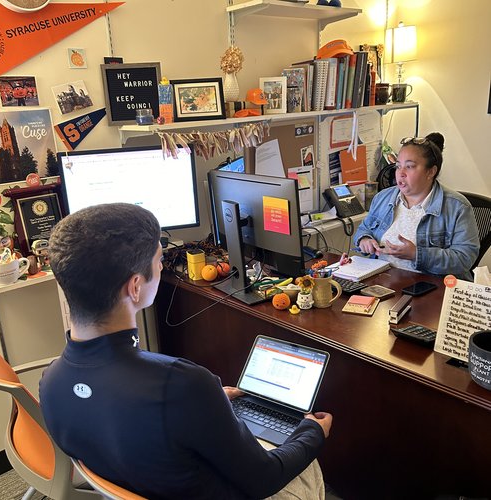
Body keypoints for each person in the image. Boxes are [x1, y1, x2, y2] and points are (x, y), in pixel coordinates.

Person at [39, 203, 333, 500]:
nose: (161, 267)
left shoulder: (50, 383)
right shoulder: (183, 384)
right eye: (159, 260)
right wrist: (312, 431)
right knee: (305, 461)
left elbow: (123, 416)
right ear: (135, 287)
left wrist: (207, 407)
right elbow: (265, 479)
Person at [354, 132, 479, 281]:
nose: (401, 173)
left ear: (431, 172)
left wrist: (417, 254)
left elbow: (465, 258)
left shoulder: (457, 207)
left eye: (409, 166)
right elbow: (364, 229)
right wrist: (364, 239)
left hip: (431, 286)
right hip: (382, 281)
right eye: (398, 166)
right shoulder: (382, 198)